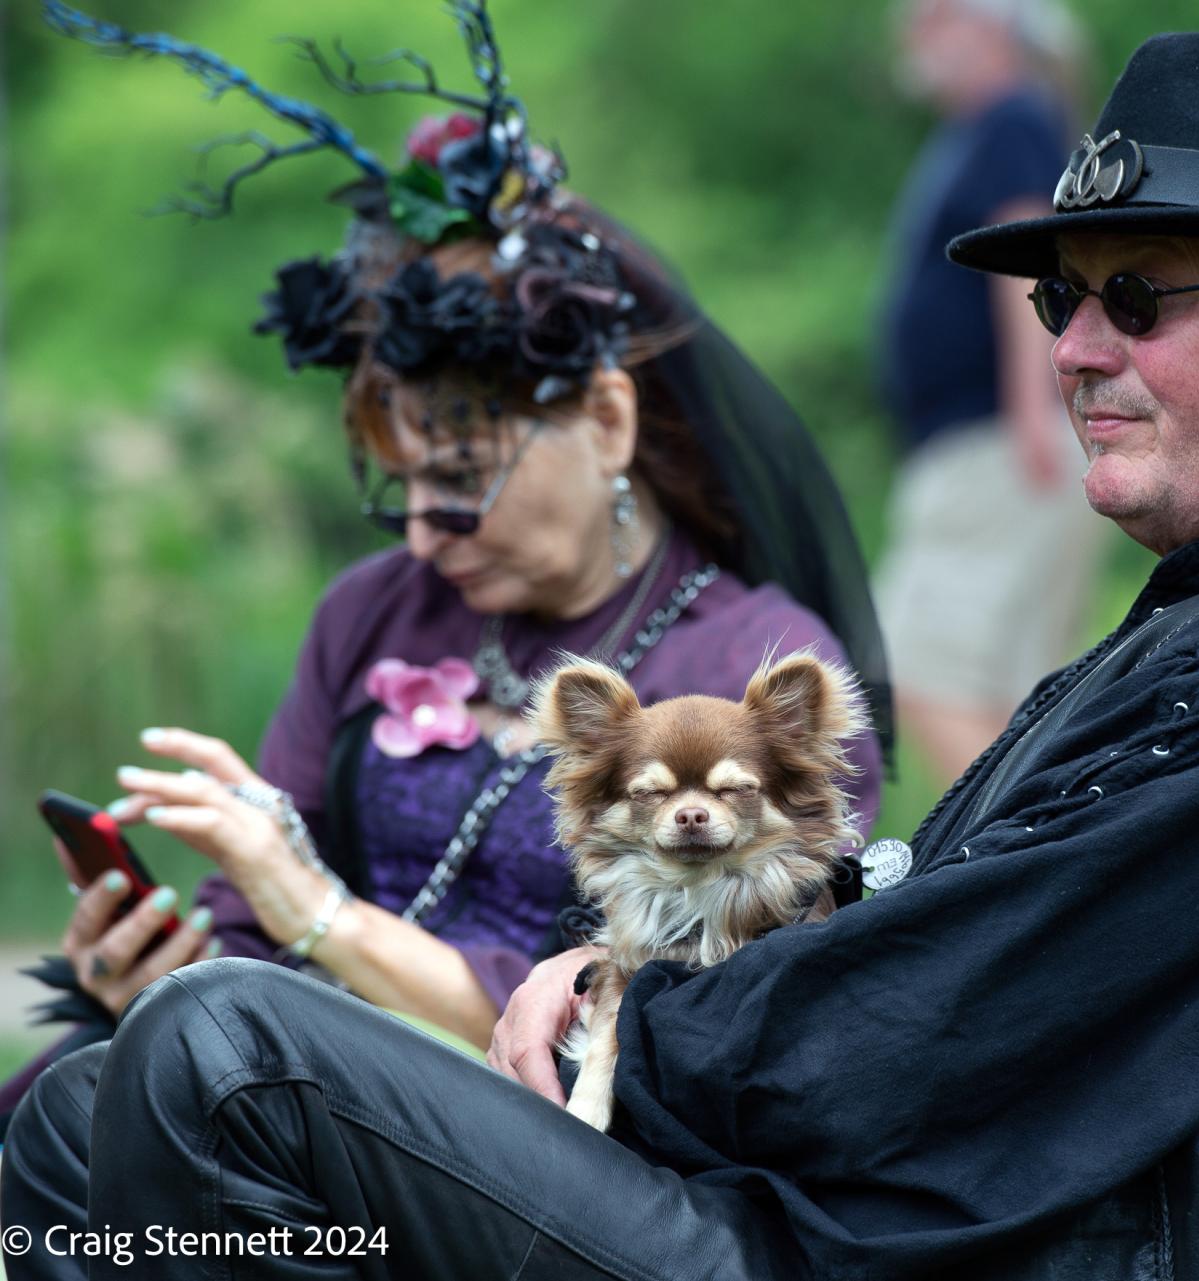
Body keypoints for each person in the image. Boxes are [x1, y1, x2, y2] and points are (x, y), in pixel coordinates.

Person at [2, 27, 1199, 1281]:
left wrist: (626, 1016)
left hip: (865, 1254)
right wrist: (624, 964)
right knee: (76, 1119)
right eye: (1067, 296)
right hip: (847, 1214)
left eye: (1138, 297)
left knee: (229, 1052)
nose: (1070, 347)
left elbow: (934, 1025)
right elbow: (948, 933)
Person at [0, 5, 888, 1137]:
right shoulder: (374, 610)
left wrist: (322, 913)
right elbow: (244, 933)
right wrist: (157, 967)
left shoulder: (740, 672)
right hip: (261, 1080)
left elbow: (701, 1011)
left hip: (514, 1140)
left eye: (462, 476)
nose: (423, 532)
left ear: (608, 421)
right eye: (400, 485)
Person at [875, 0, 1108, 782]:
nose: (914, 33)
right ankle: (1051, 873)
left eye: (936, 15)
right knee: (1011, 693)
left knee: (922, 665)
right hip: (988, 442)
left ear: (996, 26)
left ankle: (1020, 867)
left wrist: (1040, 412)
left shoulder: (1012, 120)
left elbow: (1028, 267)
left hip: (999, 445)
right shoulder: (988, 130)